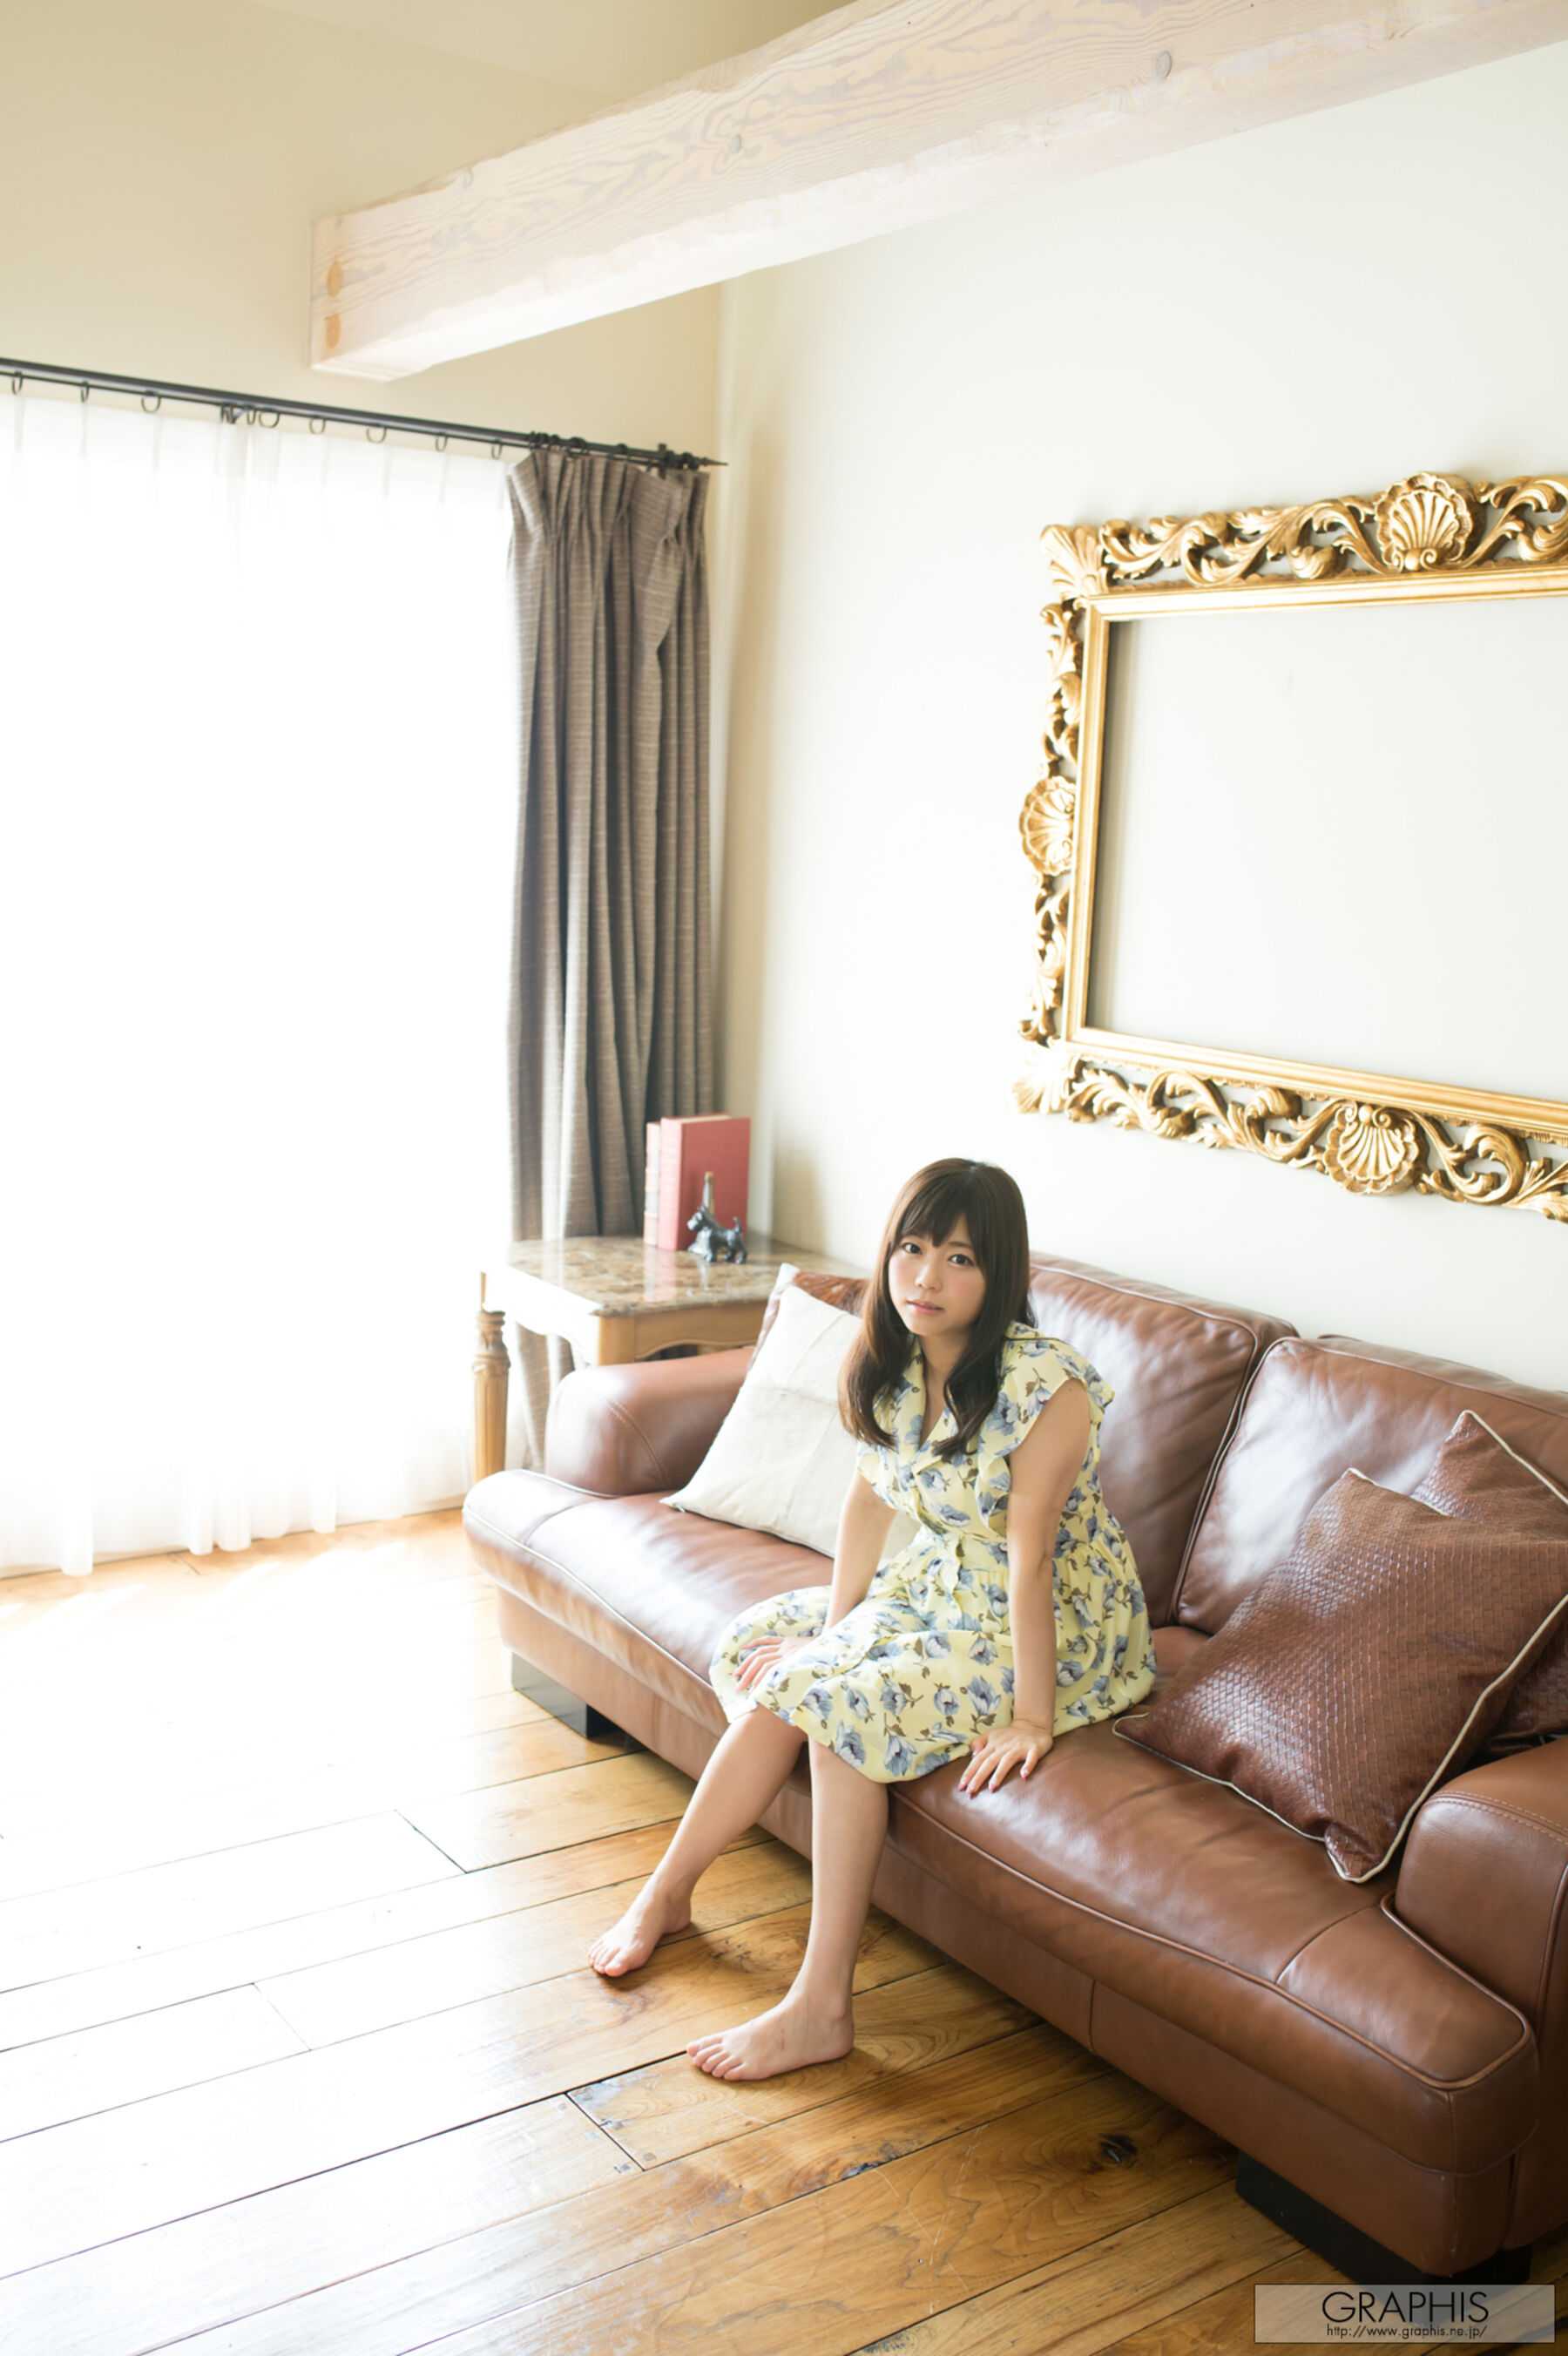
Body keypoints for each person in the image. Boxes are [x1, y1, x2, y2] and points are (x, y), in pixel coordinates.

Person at [587, 1154, 1158, 2082]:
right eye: (913, 1248)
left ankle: (822, 2006)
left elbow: (1031, 1561)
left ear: (1000, 1274)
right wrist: (835, 1626)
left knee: (836, 1714)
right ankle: (668, 1895)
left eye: (960, 1259)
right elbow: (868, 1499)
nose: (926, 1277)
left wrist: (1032, 1718)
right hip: (942, 1582)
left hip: (1053, 1619)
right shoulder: (896, 1365)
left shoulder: (1045, 1387)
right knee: (778, 1664)